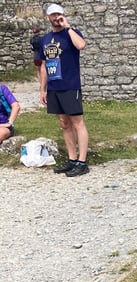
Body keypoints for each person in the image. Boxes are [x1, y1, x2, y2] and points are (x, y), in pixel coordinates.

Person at [39, 3, 90, 177]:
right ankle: (72, 159)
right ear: (47, 17)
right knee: (64, 123)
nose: (56, 18)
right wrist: (43, 89)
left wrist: (67, 27)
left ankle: (82, 162)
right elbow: (44, 65)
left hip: (70, 85)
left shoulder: (71, 34)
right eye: (53, 15)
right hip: (54, 87)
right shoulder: (45, 39)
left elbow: (81, 45)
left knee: (77, 122)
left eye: (58, 15)